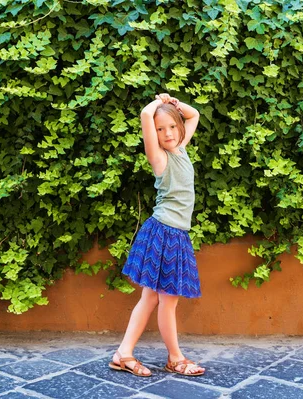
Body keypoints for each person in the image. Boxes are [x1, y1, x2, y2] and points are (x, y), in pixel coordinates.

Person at [108, 93, 205, 377]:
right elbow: (144, 116)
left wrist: (172, 102)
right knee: (167, 299)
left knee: (151, 298)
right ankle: (175, 358)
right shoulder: (159, 158)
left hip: (173, 234)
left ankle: (123, 354)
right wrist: (154, 107)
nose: (167, 134)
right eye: (160, 129)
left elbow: (194, 114)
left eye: (172, 127)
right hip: (165, 234)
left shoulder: (181, 150)